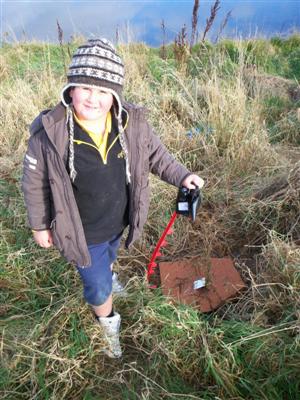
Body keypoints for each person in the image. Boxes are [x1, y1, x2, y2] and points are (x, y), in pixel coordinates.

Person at [22, 38, 204, 358]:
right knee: (97, 286)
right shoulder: (50, 133)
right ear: (70, 89)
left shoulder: (131, 123)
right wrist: (39, 225)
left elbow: (157, 156)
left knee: (109, 254)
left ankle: (107, 272)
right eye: (86, 88)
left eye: (104, 91)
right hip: (80, 230)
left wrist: (182, 175)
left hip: (116, 220)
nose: (94, 99)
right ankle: (107, 320)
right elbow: (34, 184)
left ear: (115, 95)